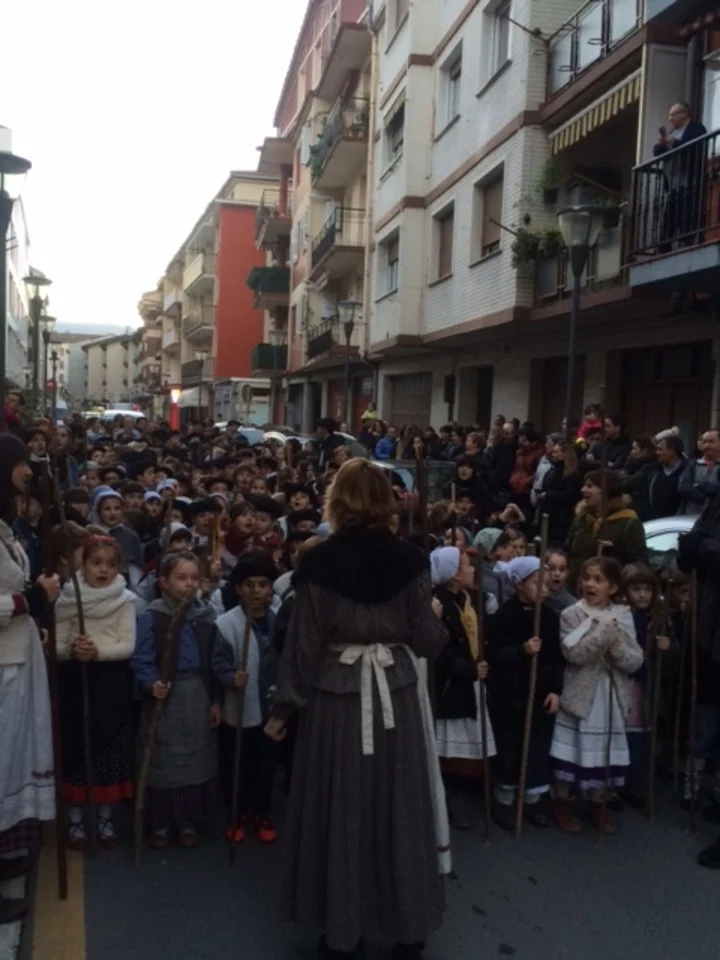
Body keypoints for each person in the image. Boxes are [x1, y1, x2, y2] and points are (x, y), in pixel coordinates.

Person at [266, 458, 449, 959]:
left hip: (337, 701)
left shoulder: (317, 563)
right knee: (400, 810)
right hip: (396, 697)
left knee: (341, 809)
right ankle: (408, 930)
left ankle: (342, 933)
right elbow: (429, 642)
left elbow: (302, 647)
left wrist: (283, 711)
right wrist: (435, 616)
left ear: (336, 500)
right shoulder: (411, 560)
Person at [0, 435, 59, 924]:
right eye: (20, 464)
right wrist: (32, 600)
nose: (27, 472)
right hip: (2, 666)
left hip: (16, 661)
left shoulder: (5, 527)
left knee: (10, 761)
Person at [131, 551, 222, 849]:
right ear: (164, 582)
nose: (189, 584)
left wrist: (216, 701)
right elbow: (141, 659)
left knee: (194, 758)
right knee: (162, 757)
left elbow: (215, 663)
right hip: (165, 698)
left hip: (197, 695)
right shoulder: (152, 617)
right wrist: (151, 683)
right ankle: (159, 823)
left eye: (194, 578)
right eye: (181, 578)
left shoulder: (206, 617)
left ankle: (187, 821)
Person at [550, 557, 643, 834]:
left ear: (612, 587)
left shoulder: (622, 615)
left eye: (598, 580)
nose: (590, 584)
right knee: (572, 750)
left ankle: (598, 805)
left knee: (603, 753)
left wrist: (616, 646)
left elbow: (634, 660)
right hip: (580, 693)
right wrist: (602, 634)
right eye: (587, 578)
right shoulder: (571, 614)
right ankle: (563, 803)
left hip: (610, 694)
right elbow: (574, 654)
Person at [55, 534, 137, 849]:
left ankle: (104, 816)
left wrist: (96, 651)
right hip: (75, 683)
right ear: (83, 564)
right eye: (96, 563)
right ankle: (74, 816)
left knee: (108, 750)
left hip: (110, 683)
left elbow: (126, 644)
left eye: (111, 564)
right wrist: (72, 649)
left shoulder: (125, 600)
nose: (104, 570)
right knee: (75, 749)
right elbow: (57, 645)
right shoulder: (67, 598)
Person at [486, 556, 564, 831]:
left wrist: (555, 690)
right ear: (520, 584)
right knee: (509, 748)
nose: (544, 588)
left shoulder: (550, 617)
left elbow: (557, 659)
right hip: (510, 696)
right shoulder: (505, 616)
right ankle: (505, 799)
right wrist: (522, 651)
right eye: (536, 582)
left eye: (546, 583)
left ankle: (532, 799)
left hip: (539, 694)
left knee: (536, 748)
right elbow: (494, 654)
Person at [213, 552, 280, 845]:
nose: (256, 592)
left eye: (263, 585)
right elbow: (218, 662)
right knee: (236, 764)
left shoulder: (279, 622)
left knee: (265, 765)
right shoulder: (226, 624)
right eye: (249, 585)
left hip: (271, 709)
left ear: (271, 588)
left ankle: (262, 812)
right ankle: (236, 813)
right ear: (238, 589)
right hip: (239, 707)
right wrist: (231, 676)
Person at [430, 546, 496, 831]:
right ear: (456, 574)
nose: (472, 570)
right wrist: (468, 669)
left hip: (471, 683)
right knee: (448, 748)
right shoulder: (437, 605)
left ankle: (464, 792)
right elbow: (438, 650)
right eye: (467, 566)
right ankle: (448, 797)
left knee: (467, 745)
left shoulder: (472, 600)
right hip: (450, 686)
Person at [621, 563, 670, 810]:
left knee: (640, 735)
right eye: (636, 589)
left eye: (647, 589)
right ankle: (617, 784)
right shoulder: (621, 616)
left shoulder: (659, 619)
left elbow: (673, 655)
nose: (642, 595)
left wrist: (667, 648)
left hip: (646, 686)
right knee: (623, 733)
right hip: (625, 682)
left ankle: (636, 785)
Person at [566, 470, 647, 585]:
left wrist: (616, 551)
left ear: (606, 491)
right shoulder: (581, 519)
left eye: (589, 486)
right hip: (576, 587)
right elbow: (569, 551)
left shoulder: (629, 522)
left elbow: (640, 563)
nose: (583, 490)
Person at [653, 101, 708, 252]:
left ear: (684, 114)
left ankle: (687, 241)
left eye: (673, 115)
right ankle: (664, 247)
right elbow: (656, 152)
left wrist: (674, 142)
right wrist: (663, 143)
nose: (670, 118)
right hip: (673, 183)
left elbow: (692, 148)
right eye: (669, 115)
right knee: (669, 216)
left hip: (689, 180)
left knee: (686, 212)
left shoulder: (695, 128)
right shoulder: (672, 132)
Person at [539, 441, 583, 545]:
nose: (553, 454)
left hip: (562, 516)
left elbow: (570, 495)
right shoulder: (554, 468)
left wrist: (549, 495)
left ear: (565, 454)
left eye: (556, 452)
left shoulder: (572, 474)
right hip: (549, 512)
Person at [678, 428, 720, 515]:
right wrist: (707, 499)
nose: (707, 445)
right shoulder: (692, 465)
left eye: (711, 442)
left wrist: (699, 486)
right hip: (691, 518)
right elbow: (684, 487)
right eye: (704, 442)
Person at [545, 548, 575, 615]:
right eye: (551, 568)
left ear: (567, 573)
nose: (557, 574)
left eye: (562, 569)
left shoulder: (572, 605)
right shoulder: (534, 599)